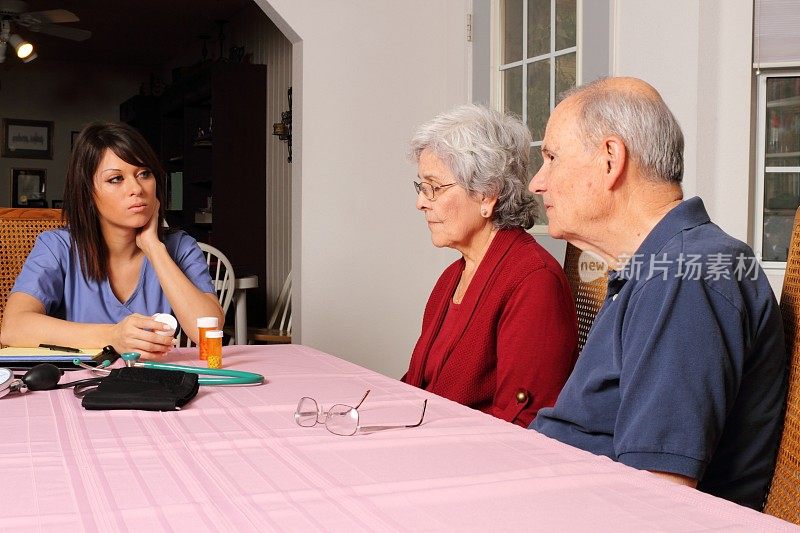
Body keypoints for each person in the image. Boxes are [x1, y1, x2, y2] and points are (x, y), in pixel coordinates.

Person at [528, 77, 787, 509]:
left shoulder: (687, 274)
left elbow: (656, 501)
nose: (538, 182)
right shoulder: (656, 265)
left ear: (610, 160)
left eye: (551, 157)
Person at [402, 104, 578, 427]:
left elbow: (524, 424)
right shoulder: (450, 279)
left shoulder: (534, 281)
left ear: (487, 195)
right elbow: (417, 386)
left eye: (434, 188)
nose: (421, 201)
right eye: (421, 187)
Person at [0, 122, 224, 359]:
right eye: (116, 179)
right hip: (77, 382)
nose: (136, 188)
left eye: (144, 174)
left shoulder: (180, 246)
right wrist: (114, 336)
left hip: (152, 385)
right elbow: (13, 328)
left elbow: (207, 333)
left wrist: (154, 248)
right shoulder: (56, 247)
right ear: (88, 192)